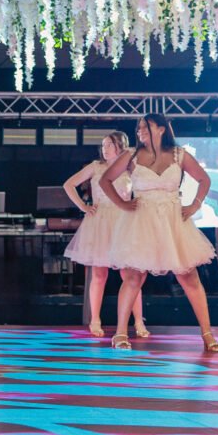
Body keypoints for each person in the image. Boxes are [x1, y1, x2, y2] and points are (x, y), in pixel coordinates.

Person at [101, 113, 218, 352]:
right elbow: (106, 180)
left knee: (189, 277)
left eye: (146, 126)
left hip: (172, 221)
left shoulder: (179, 155)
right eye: (138, 128)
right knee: (134, 277)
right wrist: (123, 204)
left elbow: (203, 179)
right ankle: (120, 333)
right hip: (141, 222)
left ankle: (208, 334)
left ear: (162, 129)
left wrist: (195, 204)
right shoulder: (131, 156)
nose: (141, 130)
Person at [63, 131, 149, 338]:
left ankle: (138, 321)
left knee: (131, 275)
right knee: (99, 275)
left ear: (120, 145)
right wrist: (84, 206)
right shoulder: (96, 167)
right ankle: (95, 320)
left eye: (109, 145)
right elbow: (68, 185)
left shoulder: (131, 169)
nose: (105, 149)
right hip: (100, 223)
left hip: (124, 222)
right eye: (103, 145)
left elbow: (146, 189)